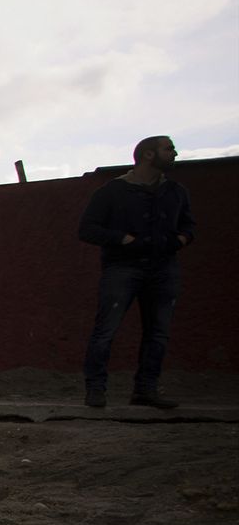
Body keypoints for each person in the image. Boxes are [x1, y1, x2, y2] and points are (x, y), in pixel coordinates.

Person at [77, 136, 195, 409]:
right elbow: (87, 229)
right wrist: (123, 239)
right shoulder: (112, 191)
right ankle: (95, 390)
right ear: (148, 155)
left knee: (158, 333)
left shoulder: (176, 192)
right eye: (168, 149)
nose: (175, 153)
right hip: (123, 268)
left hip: (164, 267)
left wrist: (181, 240)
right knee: (105, 331)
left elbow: (189, 226)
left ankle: (146, 390)